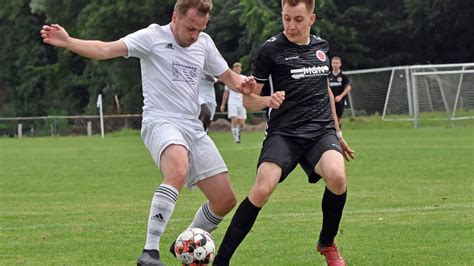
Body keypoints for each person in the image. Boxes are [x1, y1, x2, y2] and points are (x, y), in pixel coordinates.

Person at [40, 1, 256, 265]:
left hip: (192, 126)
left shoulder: (204, 43)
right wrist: (69, 41)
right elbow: (106, 49)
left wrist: (243, 84)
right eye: (190, 28)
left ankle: (183, 243)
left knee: (224, 200)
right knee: (177, 168)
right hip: (161, 121)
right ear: (174, 16)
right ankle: (149, 252)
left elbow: (229, 79)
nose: (194, 36)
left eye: (199, 30)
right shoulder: (152, 37)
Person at [213, 1, 355, 266]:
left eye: (298, 19)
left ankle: (327, 244)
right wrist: (268, 101)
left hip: (319, 131)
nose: (291, 25)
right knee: (262, 189)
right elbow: (249, 101)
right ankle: (221, 261)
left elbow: (326, 91)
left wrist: (337, 132)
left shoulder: (321, 48)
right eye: (286, 18)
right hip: (284, 133)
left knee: (337, 177)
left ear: (312, 18)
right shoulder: (269, 50)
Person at [220, 62, 247, 143]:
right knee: (234, 120)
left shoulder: (244, 78)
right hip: (232, 102)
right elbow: (226, 92)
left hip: (242, 102)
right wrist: (222, 104)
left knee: (242, 123)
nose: (237, 69)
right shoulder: (230, 79)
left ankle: (238, 133)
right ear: (233, 69)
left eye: (239, 68)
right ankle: (236, 139)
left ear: (241, 69)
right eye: (236, 68)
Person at [328, 56, 352, 127]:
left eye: (337, 63)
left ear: (340, 64)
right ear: (331, 64)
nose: (335, 64)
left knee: (337, 119)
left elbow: (348, 87)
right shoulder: (328, 76)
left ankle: (338, 135)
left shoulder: (343, 76)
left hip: (339, 102)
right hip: (329, 101)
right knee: (330, 119)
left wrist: (340, 96)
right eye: (334, 63)